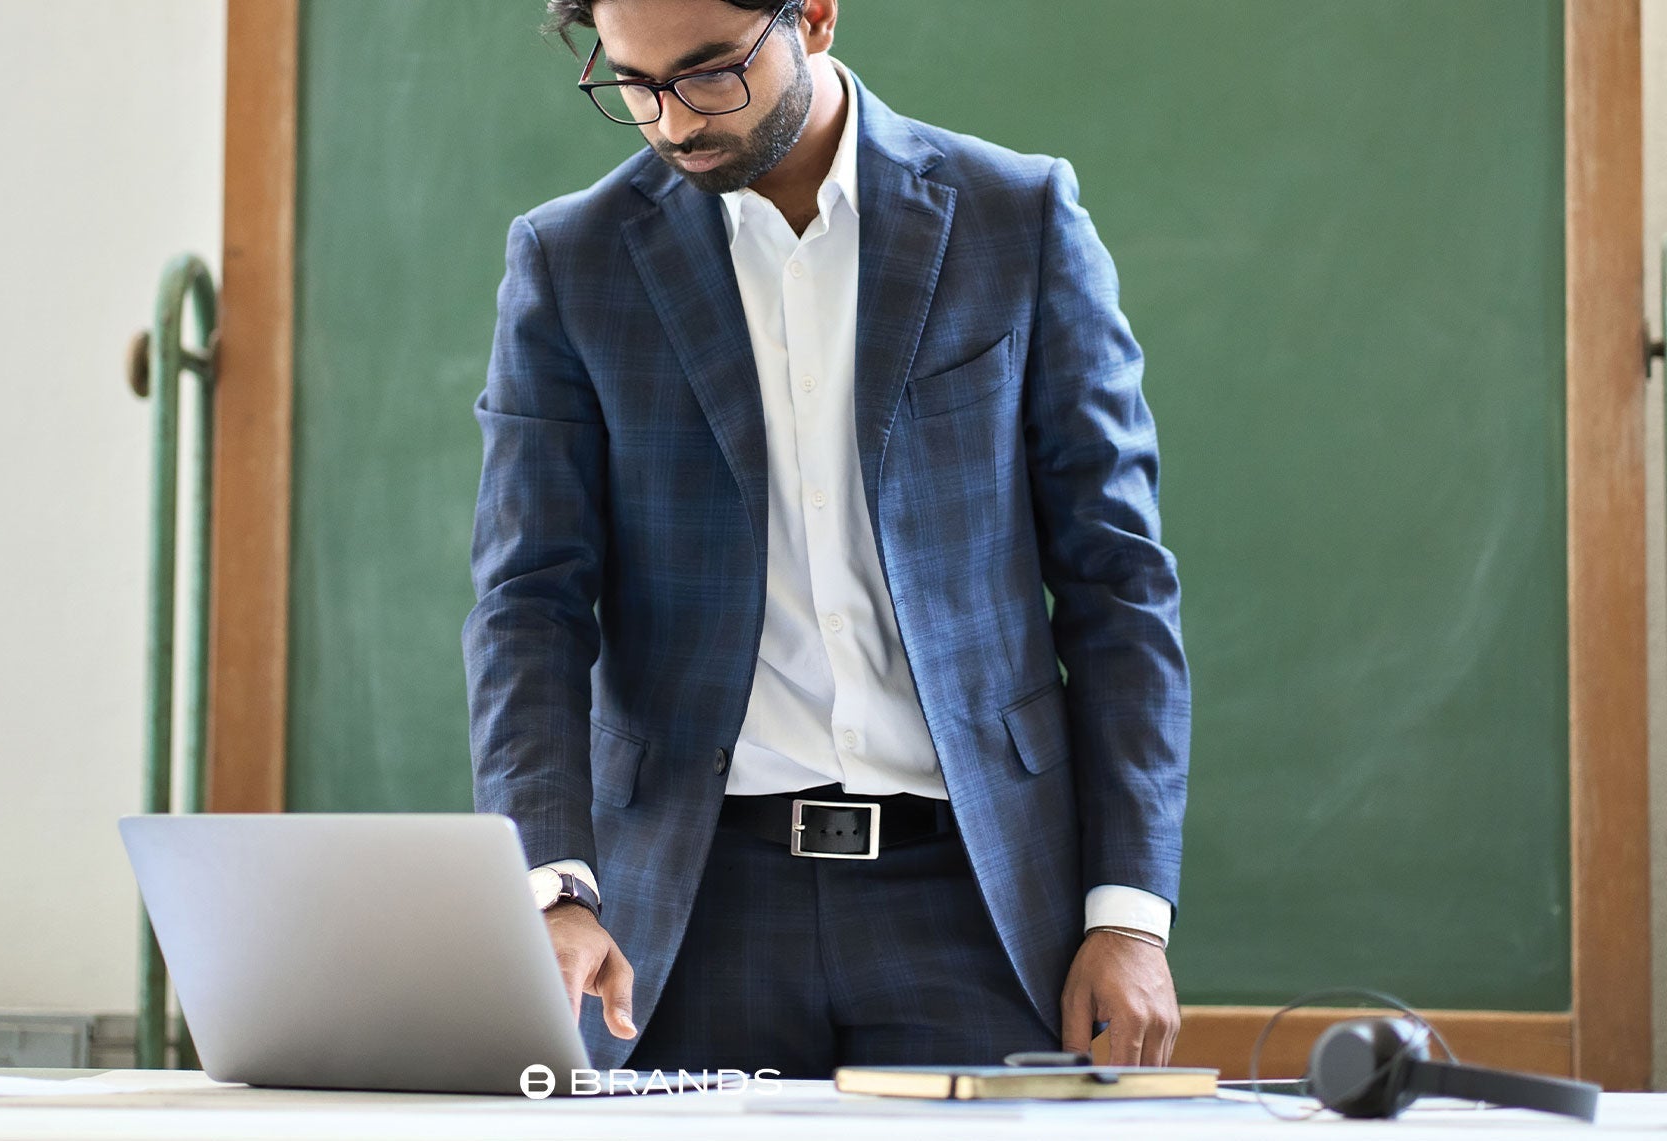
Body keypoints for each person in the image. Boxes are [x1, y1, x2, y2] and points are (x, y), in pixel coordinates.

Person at [464, 0, 1189, 1079]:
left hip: (979, 900)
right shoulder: (572, 261)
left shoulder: (1014, 216)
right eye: (632, 83)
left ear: (812, 16)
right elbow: (529, 604)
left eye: (708, 73)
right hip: (688, 905)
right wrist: (553, 886)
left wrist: (1129, 912)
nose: (670, 121)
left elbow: (1117, 581)